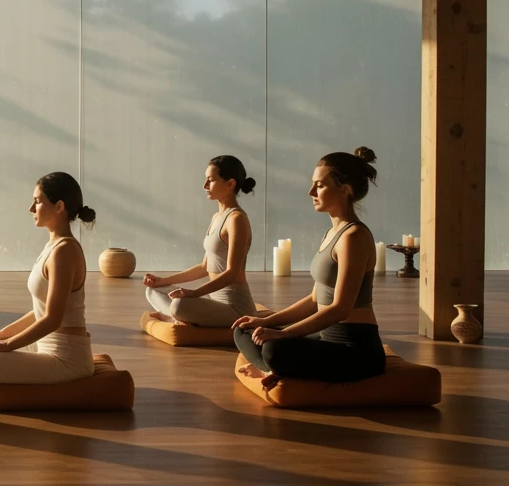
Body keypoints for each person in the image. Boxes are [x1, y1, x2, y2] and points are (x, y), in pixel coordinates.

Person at [234, 147, 386, 387]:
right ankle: (280, 368)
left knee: (274, 349)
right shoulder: (332, 233)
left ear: (345, 190)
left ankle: (273, 368)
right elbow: (315, 299)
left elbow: (340, 309)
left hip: (354, 349)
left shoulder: (354, 237)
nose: (310, 192)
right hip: (325, 337)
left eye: (320, 185)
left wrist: (283, 334)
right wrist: (266, 321)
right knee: (244, 330)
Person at [0, 172, 95, 384]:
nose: (31, 208)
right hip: (44, 344)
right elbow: (41, 310)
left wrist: (8, 344)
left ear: (59, 206)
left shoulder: (65, 252)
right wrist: (1, 334)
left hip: (66, 358)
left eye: (37, 201)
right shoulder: (53, 246)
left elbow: (52, 319)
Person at [143, 155, 258, 326]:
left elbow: (232, 272)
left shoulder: (236, 219)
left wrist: (194, 294)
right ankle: (182, 318)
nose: (204, 186)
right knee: (153, 291)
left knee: (179, 304)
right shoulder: (216, 217)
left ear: (230, 184)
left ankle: (176, 318)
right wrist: (163, 281)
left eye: (210, 180)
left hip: (235, 308)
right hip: (215, 300)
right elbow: (204, 267)